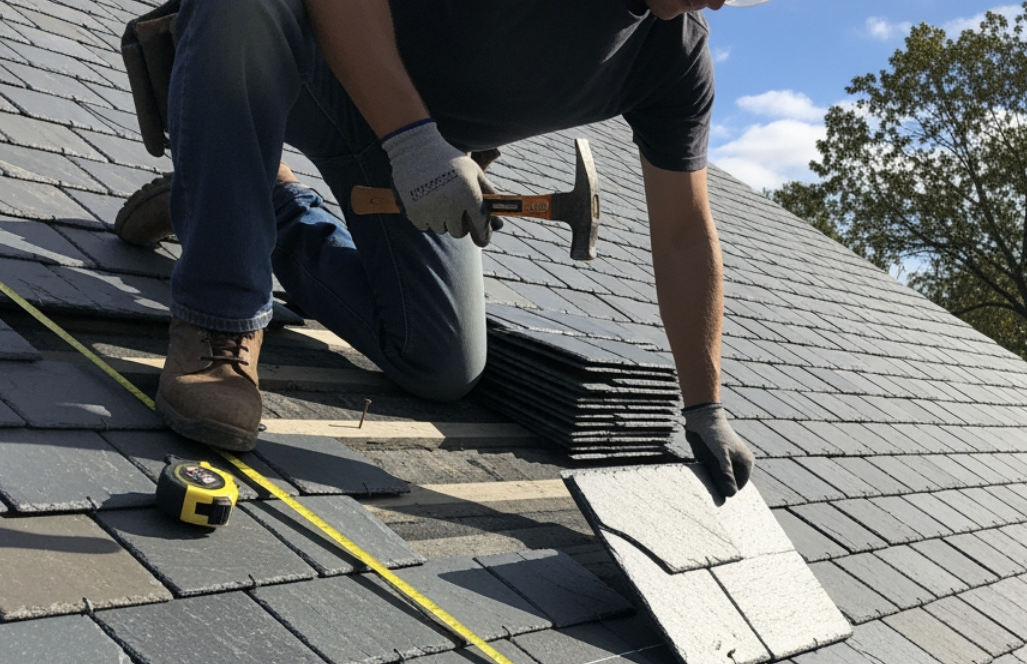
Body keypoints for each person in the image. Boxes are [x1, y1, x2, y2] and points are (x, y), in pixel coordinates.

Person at [148, 0, 757, 495]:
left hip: (418, 158)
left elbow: (684, 231)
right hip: (305, 63)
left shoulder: (675, 56)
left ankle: (250, 195)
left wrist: (704, 405)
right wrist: (413, 142)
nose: (720, 2)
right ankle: (217, 320)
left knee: (441, 361)